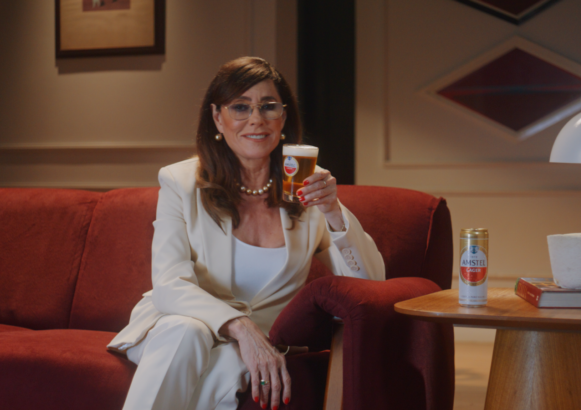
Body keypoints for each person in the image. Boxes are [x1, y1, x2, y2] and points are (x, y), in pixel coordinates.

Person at [108, 56, 385, 410]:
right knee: (187, 331)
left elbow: (371, 285)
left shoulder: (307, 186)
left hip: (260, 341)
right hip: (178, 328)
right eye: (240, 107)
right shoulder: (180, 182)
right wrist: (240, 327)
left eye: (268, 106)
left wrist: (333, 211)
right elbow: (169, 284)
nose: (256, 119)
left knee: (227, 363)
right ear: (217, 118)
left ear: (283, 118)